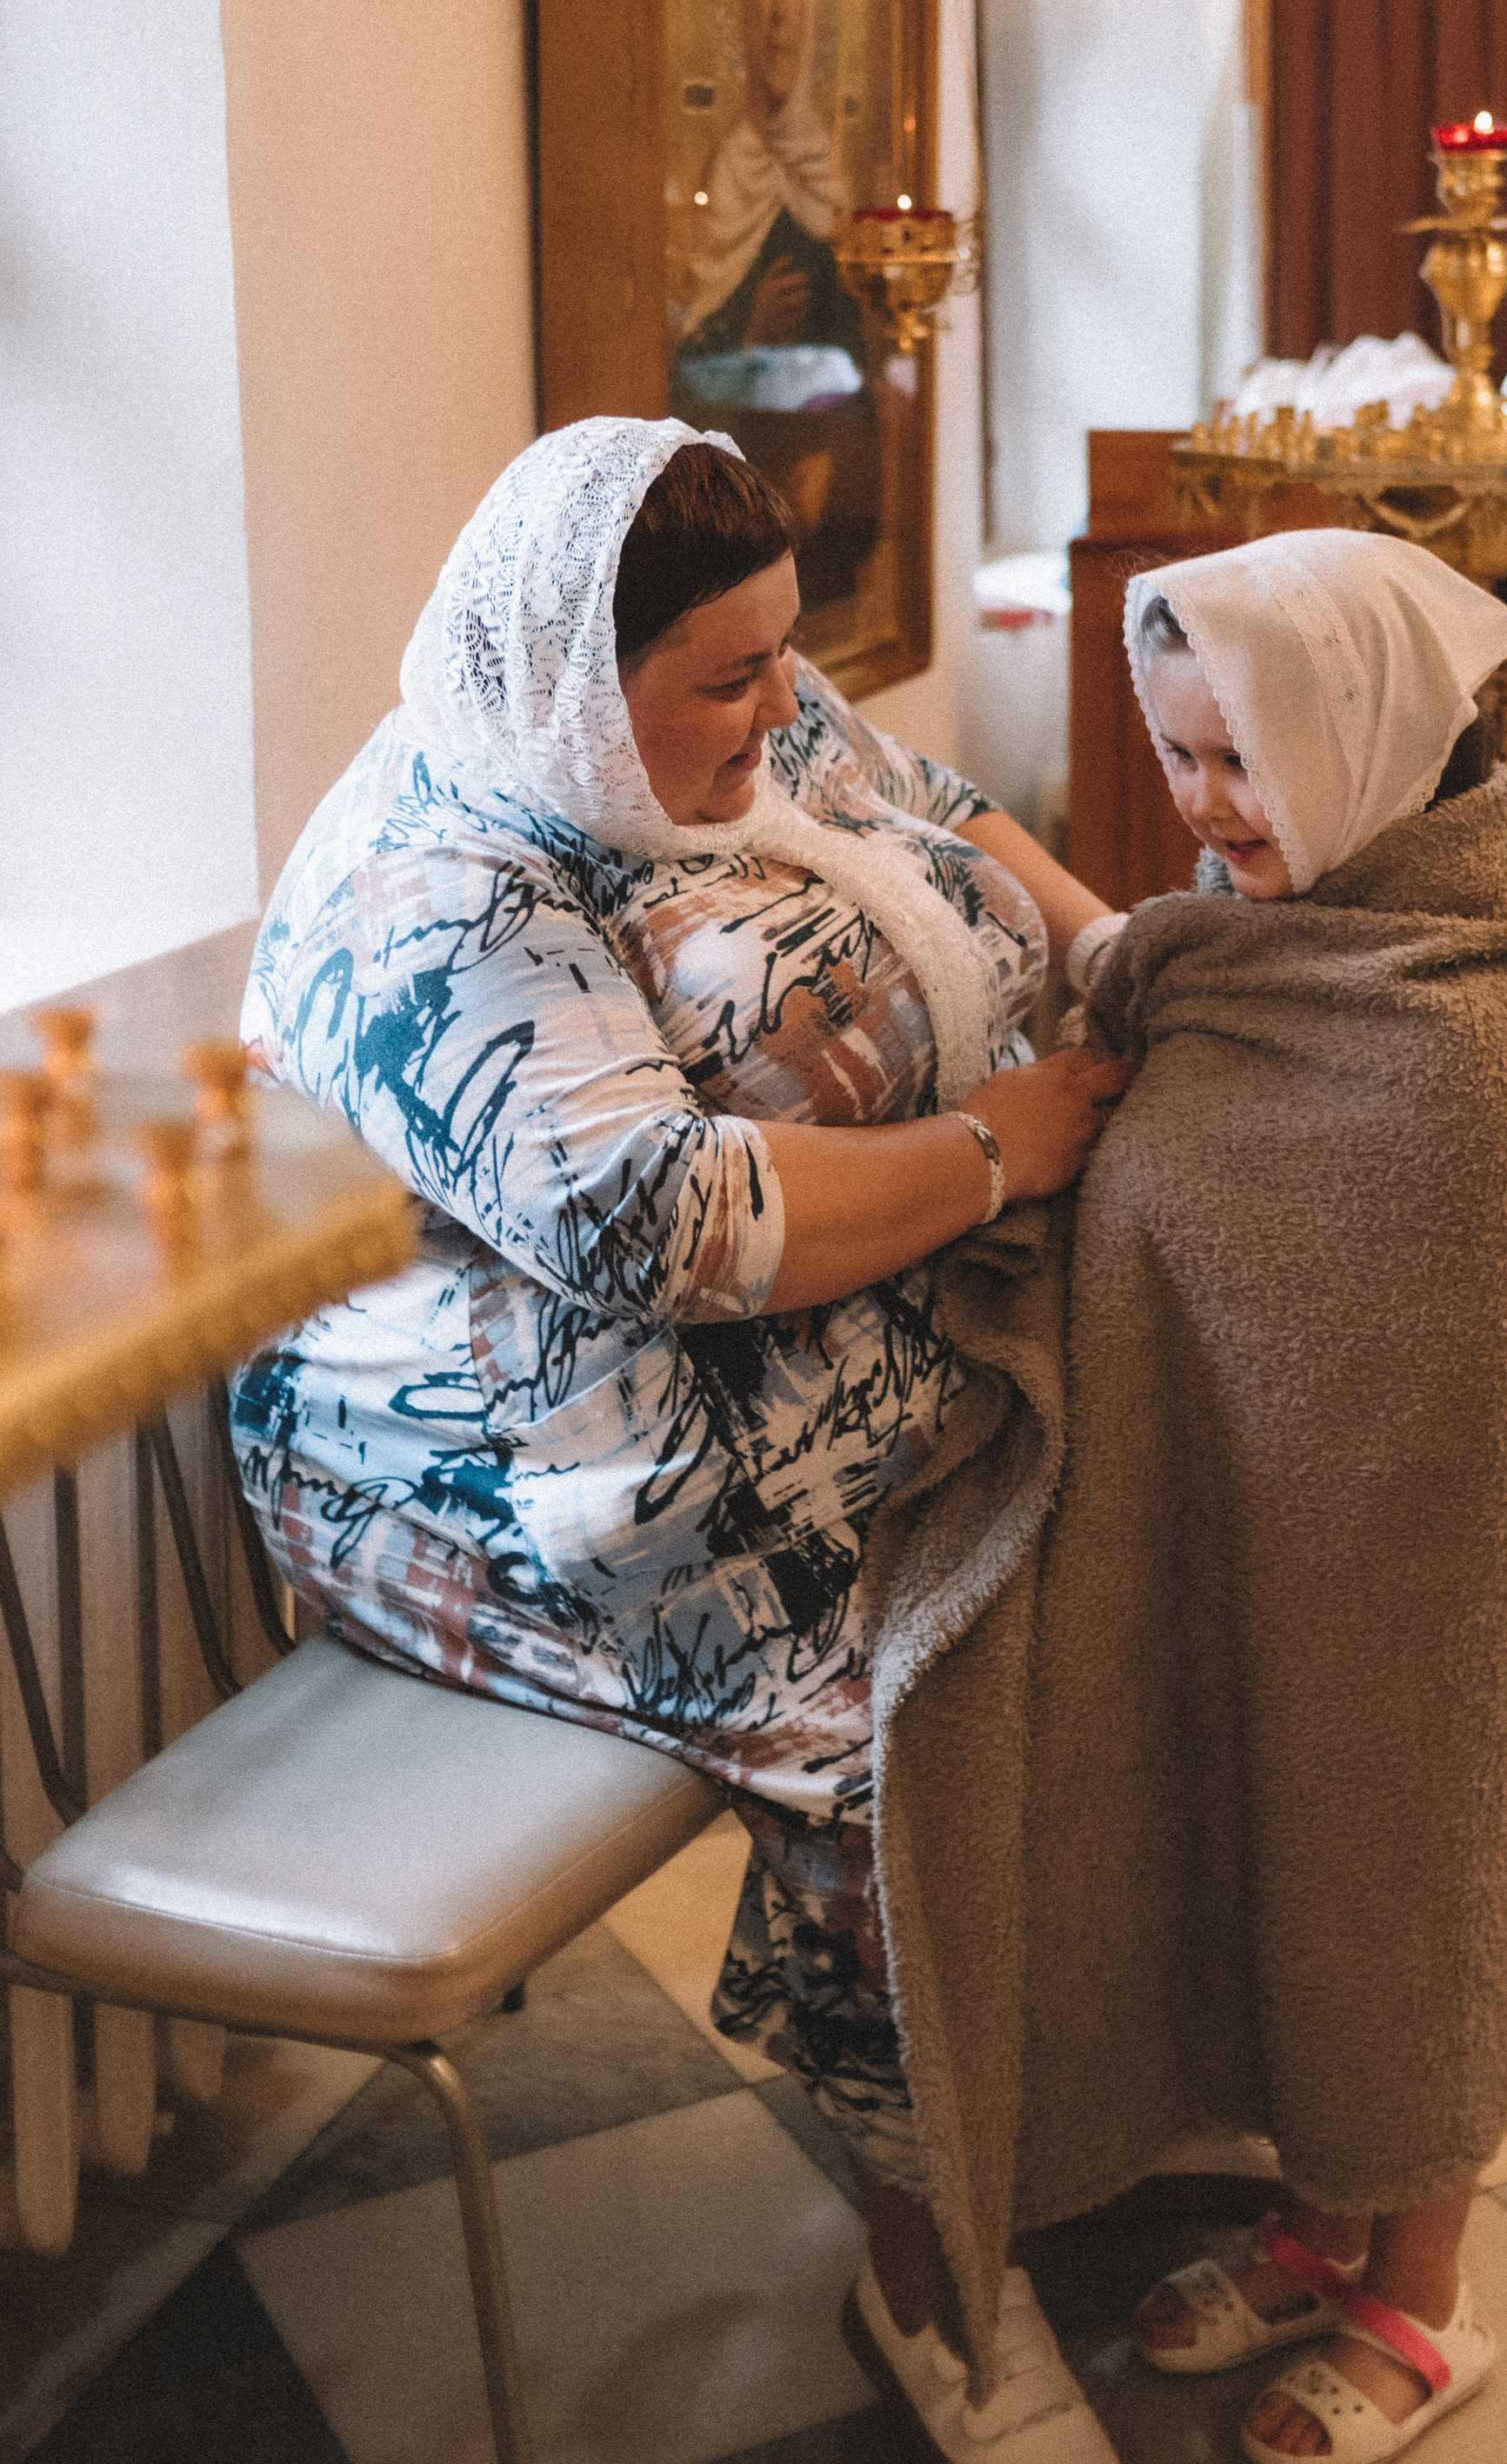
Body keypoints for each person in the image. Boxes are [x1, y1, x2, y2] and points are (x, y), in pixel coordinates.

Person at [232, 414, 1131, 2464]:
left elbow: (949, 807)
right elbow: (663, 1221)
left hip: (772, 1376)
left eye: (775, 658)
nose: (774, 709)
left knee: (1092, 1571)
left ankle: (1071, 2116)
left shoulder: (749, 704)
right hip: (481, 1461)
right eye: (722, 679)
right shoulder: (438, 883)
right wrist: (998, 1147)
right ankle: (929, 2284)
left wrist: (1118, 953)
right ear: (565, 671)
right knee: (897, 1727)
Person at [859, 533, 1507, 2464]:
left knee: (1392, 1873)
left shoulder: (1444, 999)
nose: (1200, 805)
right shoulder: (1254, 942)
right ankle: (1315, 2222)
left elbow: (1408, 1332)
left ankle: (1419, 2287)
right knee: (1261, 1856)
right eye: (1173, 756)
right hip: (1236, 1530)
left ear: (1352, 745)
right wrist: (964, 824)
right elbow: (1138, 979)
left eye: (1237, 760)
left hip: (1391, 1589)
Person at [669, 0, 878, 609]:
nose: (777, 2)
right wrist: (748, 339)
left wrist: (836, 457)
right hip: (724, 545)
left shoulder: (828, 179)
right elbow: (671, 385)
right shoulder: (720, 179)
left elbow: (867, 371)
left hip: (822, 533)